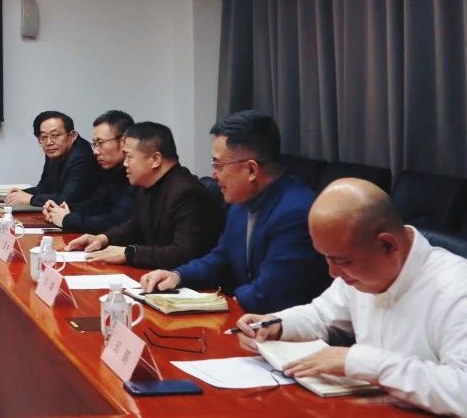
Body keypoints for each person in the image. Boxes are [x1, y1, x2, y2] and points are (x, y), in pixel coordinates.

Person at [236, 179, 467, 417]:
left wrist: (365, 362)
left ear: (387, 244)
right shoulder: (361, 271)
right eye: (326, 259)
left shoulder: (464, 292)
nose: (333, 273)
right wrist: (277, 324)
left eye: (341, 261)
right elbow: (322, 314)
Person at [138, 110, 328, 312]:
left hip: (283, 324)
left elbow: (268, 295)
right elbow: (220, 257)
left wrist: (219, 302)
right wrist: (178, 276)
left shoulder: (297, 213)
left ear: (251, 170)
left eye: (218, 165)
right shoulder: (239, 203)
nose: (214, 174)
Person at [66, 122, 223, 269]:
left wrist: (129, 253)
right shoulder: (148, 184)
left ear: (155, 159)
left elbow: (184, 253)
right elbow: (134, 226)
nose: (125, 163)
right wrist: (102, 238)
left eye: (129, 156)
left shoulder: (187, 192)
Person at [42, 109, 136, 233]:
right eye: (94, 144)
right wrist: (62, 209)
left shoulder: (137, 175)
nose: (95, 151)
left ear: (124, 142)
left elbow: (116, 221)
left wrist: (67, 219)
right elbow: (97, 204)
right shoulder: (111, 171)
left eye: (101, 143)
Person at [3, 110, 103, 209]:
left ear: (72, 136)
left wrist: (30, 199)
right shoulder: (55, 150)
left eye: (55, 135)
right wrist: (20, 194)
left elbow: (67, 200)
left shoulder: (82, 156)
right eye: (43, 137)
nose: (49, 142)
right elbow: (45, 187)